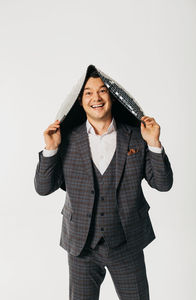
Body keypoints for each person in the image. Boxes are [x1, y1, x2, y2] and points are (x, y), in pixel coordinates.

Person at [34, 68, 173, 300]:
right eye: (88, 93)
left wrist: (154, 143)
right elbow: (43, 188)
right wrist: (51, 149)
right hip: (81, 247)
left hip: (127, 243)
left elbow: (163, 183)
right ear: (81, 101)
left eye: (102, 91)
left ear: (112, 97)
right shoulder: (66, 139)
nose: (96, 98)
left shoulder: (137, 137)